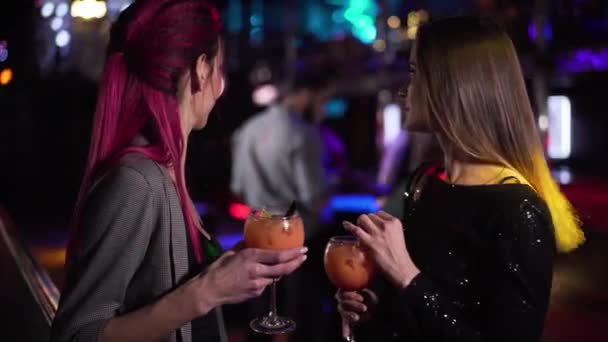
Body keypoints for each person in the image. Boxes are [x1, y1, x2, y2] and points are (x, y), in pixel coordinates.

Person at [50, 1, 307, 341]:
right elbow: (76, 335)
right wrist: (207, 291)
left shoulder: (166, 170)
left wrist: (229, 267)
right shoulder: (135, 182)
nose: (221, 86)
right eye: (220, 69)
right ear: (202, 70)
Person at [336, 16, 585, 342]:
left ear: (452, 85)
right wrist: (376, 314)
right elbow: (420, 317)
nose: (403, 90)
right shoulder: (424, 180)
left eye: (414, 74)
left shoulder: (516, 207)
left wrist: (406, 276)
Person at [231, 75, 328, 237]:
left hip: (255, 229)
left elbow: (237, 188)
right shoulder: (304, 133)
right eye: (323, 100)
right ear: (305, 95)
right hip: (295, 234)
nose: (324, 109)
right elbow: (312, 199)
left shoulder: (247, 129)